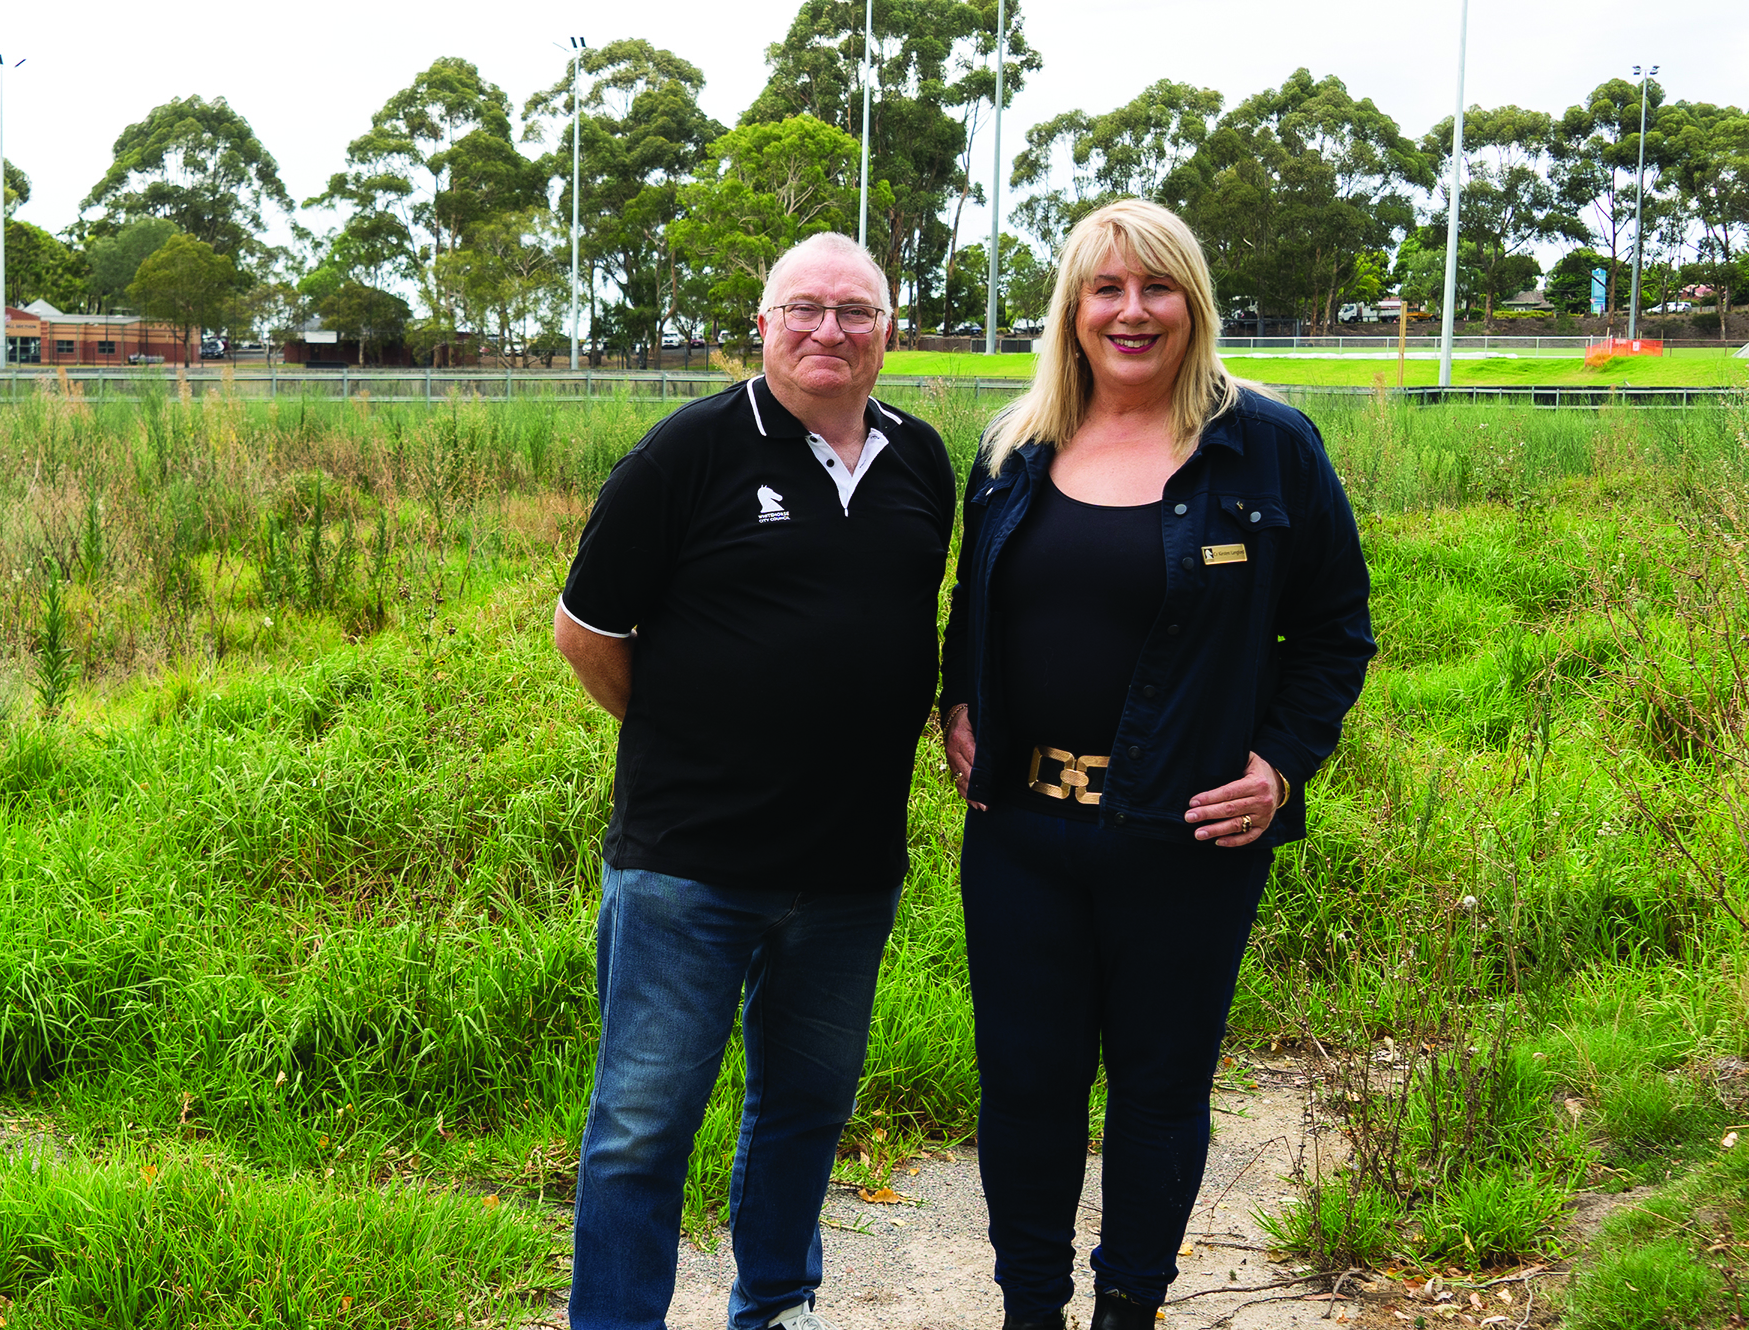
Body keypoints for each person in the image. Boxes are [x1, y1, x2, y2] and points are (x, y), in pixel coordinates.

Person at [938, 199, 1376, 1330]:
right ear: (1070, 311)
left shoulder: (1265, 444)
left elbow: (1334, 631)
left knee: (1157, 1090)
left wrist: (1279, 765)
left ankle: (1130, 1306)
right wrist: (957, 701)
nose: (1131, 312)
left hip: (1186, 840)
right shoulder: (1011, 449)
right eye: (1105, 289)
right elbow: (969, 606)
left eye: (1156, 287)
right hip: (1022, 835)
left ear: (1193, 302)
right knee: (1026, 1092)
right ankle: (1029, 1309)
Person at [553, 231, 956, 1330]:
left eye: (856, 312)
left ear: (888, 331)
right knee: (642, 1124)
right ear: (764, 324)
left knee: (805, 1109)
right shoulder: (686, 453)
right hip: (689, 868)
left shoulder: (920, 460)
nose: (830, 330)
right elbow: (586, 628)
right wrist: (699, 738)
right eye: (806, 308)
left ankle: (776, 1305)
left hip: (847, 869)